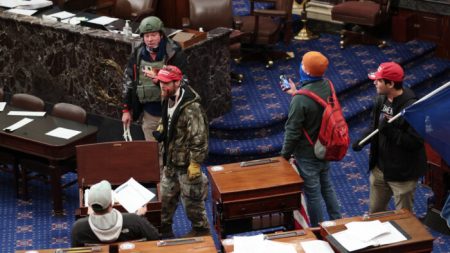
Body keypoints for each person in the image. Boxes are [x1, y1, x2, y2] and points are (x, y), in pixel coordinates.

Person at [352, 62, 427, 214]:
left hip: (402, 175)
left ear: (391, 83)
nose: (374, 82)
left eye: (379, 80)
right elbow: (375, 126)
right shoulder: (381, 99)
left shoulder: (412, 108)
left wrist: (390, 131)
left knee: (404, 219)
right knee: (375, 214)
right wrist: (363, 139)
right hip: (380, 170)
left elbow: (415, 142)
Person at [280, 51, 342, 227]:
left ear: (305, 70)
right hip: (326, 146)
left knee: (313, 193)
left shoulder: (300, 100)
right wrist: (296, 92)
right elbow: (313, 104)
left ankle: (317, 229)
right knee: (327, 186)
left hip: (307, 153)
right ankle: (337, 220)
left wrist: (284, 156)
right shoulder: (328, 84)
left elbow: (292, 131)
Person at [152, 65, 210, 238]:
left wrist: (195, 163)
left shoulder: (192, 108)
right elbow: (168, 117)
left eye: (167, 83)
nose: (163, 86)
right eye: (161, 82)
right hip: (170, 161)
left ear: (178, 82)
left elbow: (199, 138)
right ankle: (165, 231)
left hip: (186, 166)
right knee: (165, 201)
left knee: (192, 205)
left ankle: (201, 232)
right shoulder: (167, 95)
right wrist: (163, 126)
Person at [121, 16, 187, 141]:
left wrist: (160, 79)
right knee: (153, 154)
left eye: (153, 35)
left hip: (171, 113)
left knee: (172, 153)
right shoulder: (137, 54)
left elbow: (184, 84)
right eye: (146, 36)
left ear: (161, 35)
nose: (150, 39)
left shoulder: (175, 53)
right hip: (149, 114)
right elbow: (128, 82)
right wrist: (126, 109)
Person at [71, 180, 159, 246]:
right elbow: (155, 238)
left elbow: (76, 250)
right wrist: (140, 218)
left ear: (89, 206)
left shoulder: (78, 228)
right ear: (111, 203)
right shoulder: (135, 221)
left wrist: (87, 218)